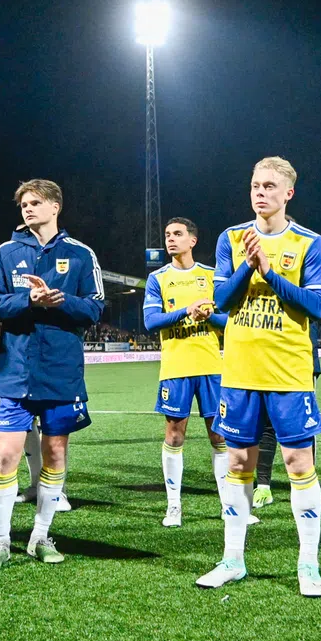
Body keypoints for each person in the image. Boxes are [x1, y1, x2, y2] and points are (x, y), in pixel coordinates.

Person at [198, 157, 321, 597]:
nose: (260, 192)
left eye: (270, 186)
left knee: (298, 464)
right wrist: (247, 265)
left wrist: (269, 272)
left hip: (290, 374)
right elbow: (221, 298)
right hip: (238, 373)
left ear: (288, 193)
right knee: (237, 464)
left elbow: (315, 308)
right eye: (255, 184)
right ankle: (233, 560)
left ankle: (308, 564)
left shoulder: (310, 243)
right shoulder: (230, 238)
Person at [0, 179, 104, 573]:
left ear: (55, 207)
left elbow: (96, 309)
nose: (27, 209)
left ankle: (39, 536)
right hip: (14, 371)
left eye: (35, 203)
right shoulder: (8, 253)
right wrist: (27, 300)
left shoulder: (80, 255)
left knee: (55, 453)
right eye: (23, 204)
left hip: (60, 373)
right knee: (7, 457)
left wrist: (61, 300)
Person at [142, 217, 227, 529]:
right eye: (167, 235)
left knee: (219, 435)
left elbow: (228, 320)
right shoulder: (158, 278)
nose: (170, 239)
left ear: (193, 240)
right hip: (176, 368)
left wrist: (211, 316)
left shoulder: (212, 275)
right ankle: (174, 506)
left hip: (211, 368)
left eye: (177, 234)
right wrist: (187, 311)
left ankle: (228, 506)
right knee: (174, 435)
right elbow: (151, 321)